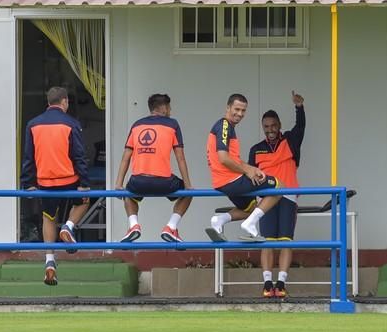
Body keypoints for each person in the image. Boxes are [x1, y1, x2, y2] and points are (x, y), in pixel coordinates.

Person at [21, 86, 90, 286]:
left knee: (48, 217)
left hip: (44, 183)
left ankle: (50, 261)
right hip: (70, 181)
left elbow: (28, 156)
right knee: (84, 201)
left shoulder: (33, 125)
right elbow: (79, 156)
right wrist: (84, 183)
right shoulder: (71, 124)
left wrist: (28, 183)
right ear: (65, 102)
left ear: (48, 102)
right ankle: (68, 227)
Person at [249, 91, 305, 298]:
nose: (270, 130)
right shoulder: (256, 149)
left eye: (273, 126)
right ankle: (267, 283)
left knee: (285, 240)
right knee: (267, 240)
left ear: (279, 125)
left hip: (288, 196)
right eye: (266, 127)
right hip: (265, 199)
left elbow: (301, 128)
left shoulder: (290, 141)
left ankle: (281, 282)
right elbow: (251, 176)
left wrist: (299, 108)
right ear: (263, 128)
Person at [115, 94, 192, 243]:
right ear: (163, 108)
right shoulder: (172, 124)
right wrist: (188, 185)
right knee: (187, 194)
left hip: (138, 182)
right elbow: (180, 157)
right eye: (169, 107)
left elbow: (126, 156)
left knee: (128, 193)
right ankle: (171, 227)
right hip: (164, 182)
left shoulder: (137, 125)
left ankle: (133, 225)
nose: (170, 110)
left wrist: (118, 184)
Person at [206, 93, 282, 242]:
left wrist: (251, 169)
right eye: (237, 109)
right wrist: (248, 170)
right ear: (228, 107)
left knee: (250, 209)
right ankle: (250, 224)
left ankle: (219, 220)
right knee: (279, 187)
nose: (240, 114)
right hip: (231, 180)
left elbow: (233, 159)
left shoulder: (226, 126)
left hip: (222, 182)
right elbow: (224, 158)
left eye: (243, 111)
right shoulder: (224, 125)